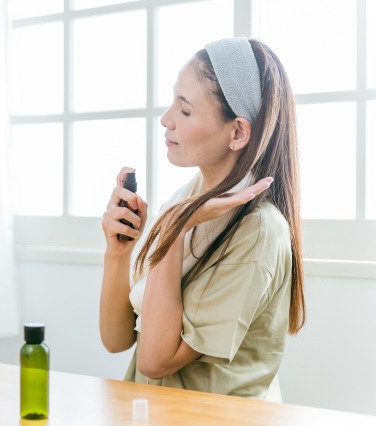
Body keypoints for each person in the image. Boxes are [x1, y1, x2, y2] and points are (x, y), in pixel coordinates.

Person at [99, 37, 305, 400]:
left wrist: (174, 229)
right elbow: (117, 341)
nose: (166, 120)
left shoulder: (258, 230)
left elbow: (155, 361)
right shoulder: (187, 198)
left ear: (237, 132)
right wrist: (118, 253)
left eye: (185, 110)